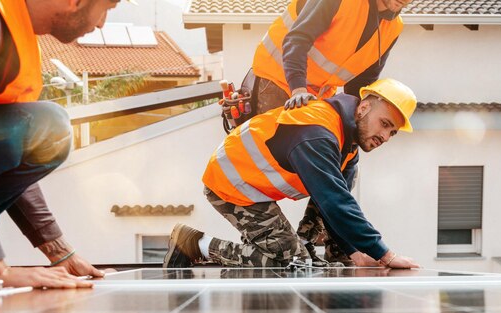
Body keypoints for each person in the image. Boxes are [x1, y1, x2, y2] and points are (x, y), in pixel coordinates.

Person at [164, 78, 420, 270]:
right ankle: (194, 243)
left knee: (318, 226)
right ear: (363, 108)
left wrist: (355, 253)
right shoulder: (318, 132)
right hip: (232, 181)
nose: (385, 137)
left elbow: (333, 203)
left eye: (392, 133)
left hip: (257, 185)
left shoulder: (349, 146)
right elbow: (335, 202)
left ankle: (302, 246)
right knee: (289, 261)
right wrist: (384, 254)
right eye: (385, 124)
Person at [251, 0, 411, 266]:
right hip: (281, 81)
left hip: (315, 97)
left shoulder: (393, 26)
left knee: (344, 163)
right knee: (308, 170)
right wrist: (298, 88)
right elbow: (297, 38)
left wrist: (351, 129)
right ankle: (284, 244)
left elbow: (362, 82)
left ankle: (326, 244)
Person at [0, 0, 125, 290]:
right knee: (51, 126)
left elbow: (3, 148)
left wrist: (58, 251)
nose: (101, 23)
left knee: (47, 132)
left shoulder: (15, 34)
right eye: (107, 8)